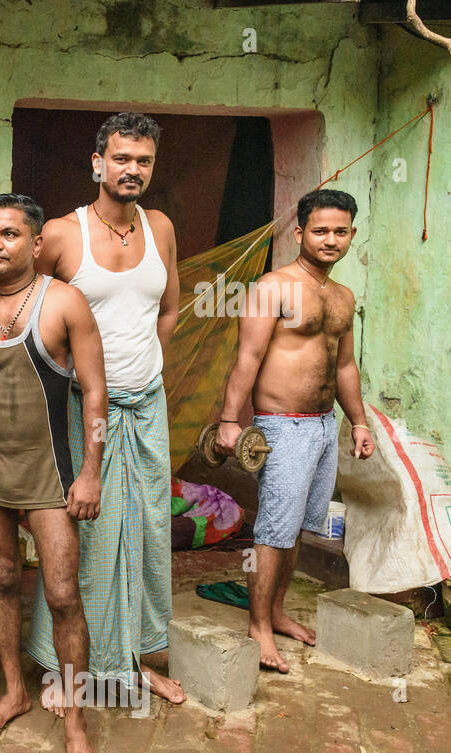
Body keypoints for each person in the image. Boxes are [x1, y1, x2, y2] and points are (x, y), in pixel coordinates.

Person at [0, 194, 108, 753]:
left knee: (63, 596)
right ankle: (14, 691)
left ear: (36, 244)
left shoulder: (65, 303)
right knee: (4, 580)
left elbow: (94, 394)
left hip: (51, 476)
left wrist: (90, 472)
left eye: (9, 235)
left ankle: (75, 723)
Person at [32, 111, 186, 706]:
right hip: (79, 407)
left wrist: (143, 364)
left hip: (145, 405)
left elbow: (168, 310)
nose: (133, 170)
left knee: (146, 532)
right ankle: (65, 669)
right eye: (121, 158)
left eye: (143, 160)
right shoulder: (62, 233)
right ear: (98, 163)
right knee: (84, 537)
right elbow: (30, 306)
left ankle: (139, 659)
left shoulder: (162, 228)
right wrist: (70, 375)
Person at [215, 188, 373, 671]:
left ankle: (278, 613)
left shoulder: (343, 297)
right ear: (300, 233)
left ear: (350, 235)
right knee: (274, 531)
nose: (331, 240)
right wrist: (228, 420)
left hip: (325, 427)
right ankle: (258, 625)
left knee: (300, 527)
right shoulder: (272, 287)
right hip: (281, 427)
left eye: (340, 231)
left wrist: (358, 421)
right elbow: (247, 359)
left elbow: (345, 366)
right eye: (320, 230)